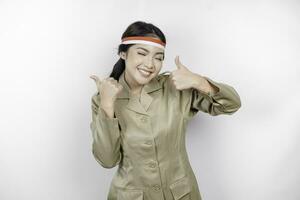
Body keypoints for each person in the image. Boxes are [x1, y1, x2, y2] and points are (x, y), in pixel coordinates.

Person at [89, 21, 241, 200]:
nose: (150, 64)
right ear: (123, 53)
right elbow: (107, 160)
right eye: (142, 53)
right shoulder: (103, 98)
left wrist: (199, 81)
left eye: (158, 57)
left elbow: (231, 104)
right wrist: (107, 106)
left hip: (181, 194)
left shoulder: (175, 86)